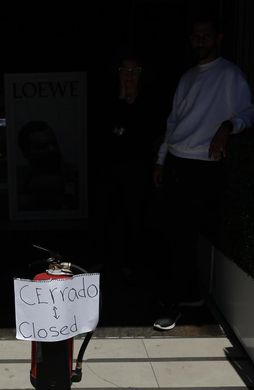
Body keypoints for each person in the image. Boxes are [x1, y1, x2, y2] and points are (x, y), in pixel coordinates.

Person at [152, 17, 254, 331]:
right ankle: (185, 298)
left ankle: (176, 305)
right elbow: (173, 123)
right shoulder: (187, 77)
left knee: (184, 237)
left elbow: (251, 113)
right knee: (172, 236)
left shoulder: (230, 75)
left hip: (203, 167)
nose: (200, 40)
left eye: (206, 36)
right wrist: (161, 160)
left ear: (218, 38)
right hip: (176, 162)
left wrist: (228, 128)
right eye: (195, 36)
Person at [103, 54, 161, 281]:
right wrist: (120, 102)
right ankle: (110, 260)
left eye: (134, 71)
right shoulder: (109, 99)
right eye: (124, 71)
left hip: (138, 168)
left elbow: (142, 133)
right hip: (111, 167)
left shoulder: (150, 101)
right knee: (111, 214)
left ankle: (133, 263)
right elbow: (110, 132)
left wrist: (123, 127)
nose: (129, 76)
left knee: (135, 215)